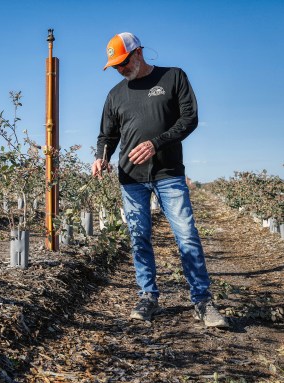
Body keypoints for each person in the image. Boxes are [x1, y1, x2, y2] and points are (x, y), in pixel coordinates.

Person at [91, 32, 228, 328]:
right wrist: (102, 156)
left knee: (187, 235)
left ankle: (202, 301)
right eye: (115, 66)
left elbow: (188, 119)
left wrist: (156, 143)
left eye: (123, 62)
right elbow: (107, 135)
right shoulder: (115, 94)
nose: (120, 69)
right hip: (131, 178)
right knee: (139, 237)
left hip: (168, 174)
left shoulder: (173, 77)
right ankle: (147, 297)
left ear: (138, 53)